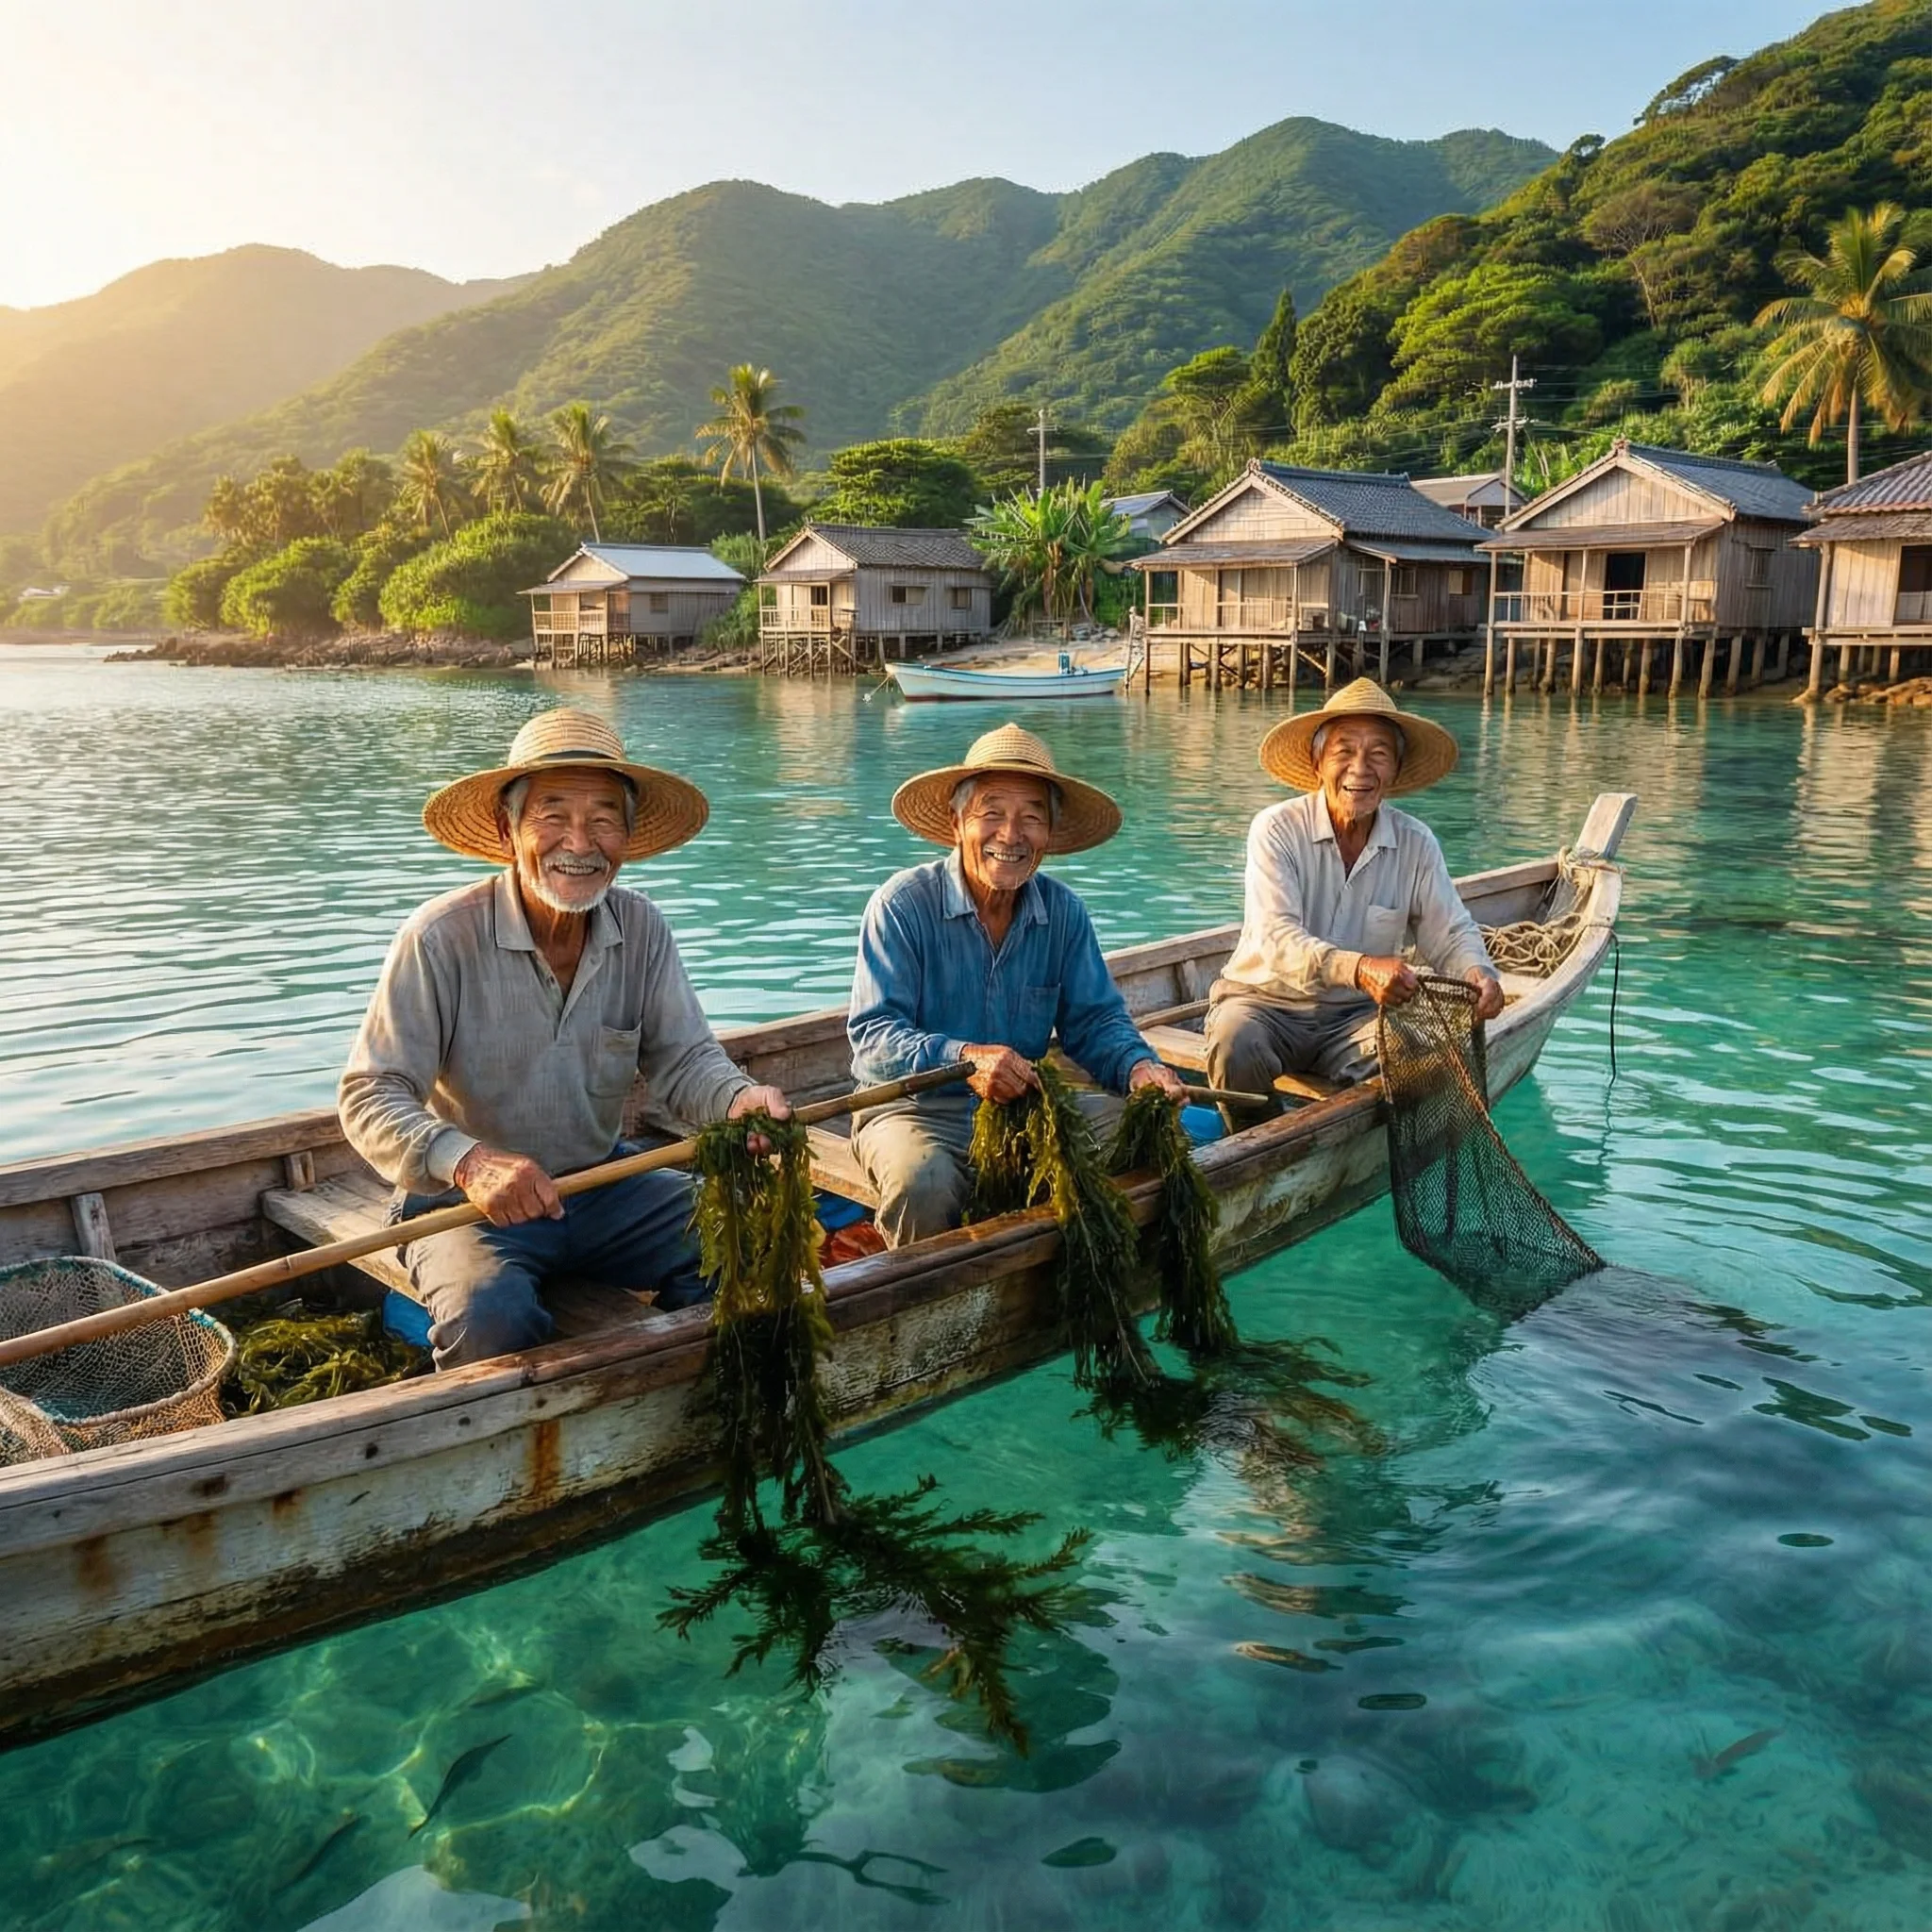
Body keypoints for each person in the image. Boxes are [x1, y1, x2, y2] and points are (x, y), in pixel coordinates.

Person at [339, 708, 789, 1368]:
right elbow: (369, 1095)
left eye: (604, 818)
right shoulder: (439, 937)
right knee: (491, 1317)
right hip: (467, 1203)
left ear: (627, 837)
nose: (580, 841)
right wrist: (468, 1160)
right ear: (507, 830)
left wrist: (739, 1101)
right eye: (552, 815)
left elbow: (686, 1060)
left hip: (602, 1184)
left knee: (748, 1238)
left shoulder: (643, 928)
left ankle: (666, 1387)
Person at [847, 722, 1189, 1246]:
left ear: (1049, 835)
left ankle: (1083, 1282)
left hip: (1023, 1109)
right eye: (992, 814)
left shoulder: (1064, 913)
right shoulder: (900, 905)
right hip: (913, 1110)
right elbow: (874, 1038)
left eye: (1031, 818)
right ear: (957, 821)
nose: (1011, 835)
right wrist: (965, 1059)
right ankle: (928, 1315)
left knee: (1146, 1131)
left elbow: (1097, 1022)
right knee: (924, 1182)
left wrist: (1139, 1067)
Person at [1205, 677, 1502, 1105]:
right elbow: (1277, 940)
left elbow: (1450, 932)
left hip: (1355, 1018)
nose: (1360, 769)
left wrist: (1479, 975)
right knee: (1235, 1042)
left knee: (1420, 1061)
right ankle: (1255, 1140)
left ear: (1395, 771)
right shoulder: (1276, 829)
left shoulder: (1416, 843)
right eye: (1344, 752)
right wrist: (1361, 968)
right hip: (1266, 1003)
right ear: (1317, 763)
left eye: (1378, 754)